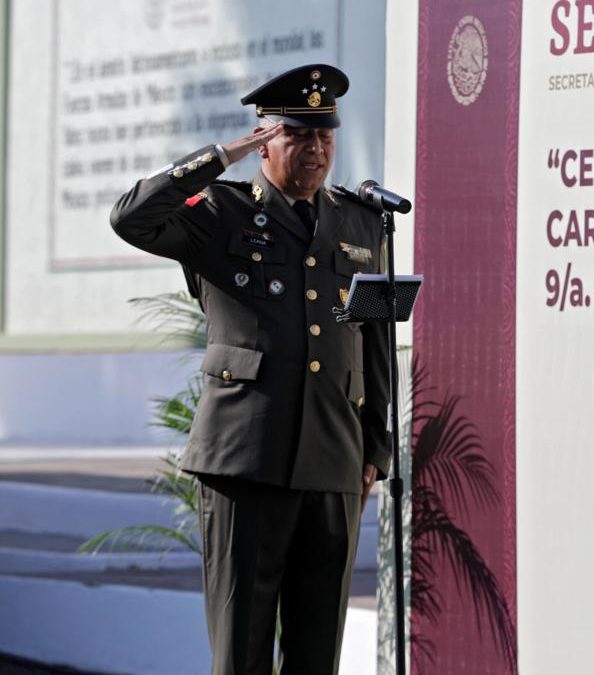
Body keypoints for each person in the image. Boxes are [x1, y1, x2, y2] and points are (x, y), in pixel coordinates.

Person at [110, 64, 390, 675]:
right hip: (246, 460)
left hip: (333, 460)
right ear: (265, 139)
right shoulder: (219, 213)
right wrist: (219, 156)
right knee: (242, 651)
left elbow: (373, 340)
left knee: (317, 654)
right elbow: (130, 217)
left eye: (325, 136)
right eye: (298, 136)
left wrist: (376, 448)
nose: (316, 150)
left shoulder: (360, 222)